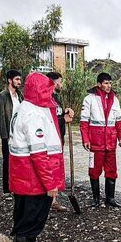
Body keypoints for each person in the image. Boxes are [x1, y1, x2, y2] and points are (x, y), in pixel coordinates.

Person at [6, 72, 65, 242]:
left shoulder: (28, 107)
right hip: (33, 180)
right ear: (40, 90)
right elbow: (39, 154)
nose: (51, 93)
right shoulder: (33, 114)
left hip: (26, 178)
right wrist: (51, 183)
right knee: (29, 221)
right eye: (48, 89)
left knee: (31, 219)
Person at [80, 72, 121, 208]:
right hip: (96, 142)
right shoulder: (89, 99)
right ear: (99, 84)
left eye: (110, 83)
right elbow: (84, 122)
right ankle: (95, 199)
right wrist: (85, 139)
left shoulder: (115, 99)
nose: (108, 86)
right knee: (94, 170)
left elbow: (118, 121)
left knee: (112, 170)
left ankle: (110, 199)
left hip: (110, 142)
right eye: (106, 83)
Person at [45, 71, 75, 212]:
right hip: (49, 142)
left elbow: (57, 115)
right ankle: (47, 200)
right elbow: (48, 122)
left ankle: (53, 200)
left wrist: (65, 112)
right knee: (49, 169)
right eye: (60, 82)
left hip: (59, 139)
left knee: (56, 169)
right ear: (54, 83)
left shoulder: (56, 98)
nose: (61, 85)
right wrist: (64, 119)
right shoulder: (45, 99)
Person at [0, 69, 23, 194]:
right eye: (17, 79)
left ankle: (17, 186)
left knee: (19, 161)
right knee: (7, 161)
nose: (19, 82)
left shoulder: (20, 96)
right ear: (9, 80)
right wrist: (4, 136)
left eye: (20, 79)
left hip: (20, 135)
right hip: (8, 135)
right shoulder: (2, 96)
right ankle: (7, 188)